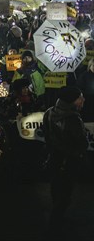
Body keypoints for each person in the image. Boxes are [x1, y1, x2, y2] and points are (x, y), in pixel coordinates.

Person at [42, 86, 88, 232]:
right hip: (69, 160)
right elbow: (81, 143)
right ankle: (55, 224)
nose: (83, 100)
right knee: (65, 193)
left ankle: (57, 219)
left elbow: (47, 136)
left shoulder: (49, 112)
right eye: (80, 97)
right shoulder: (73, 118)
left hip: (54, 157)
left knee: (56, 188)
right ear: (73, 100)